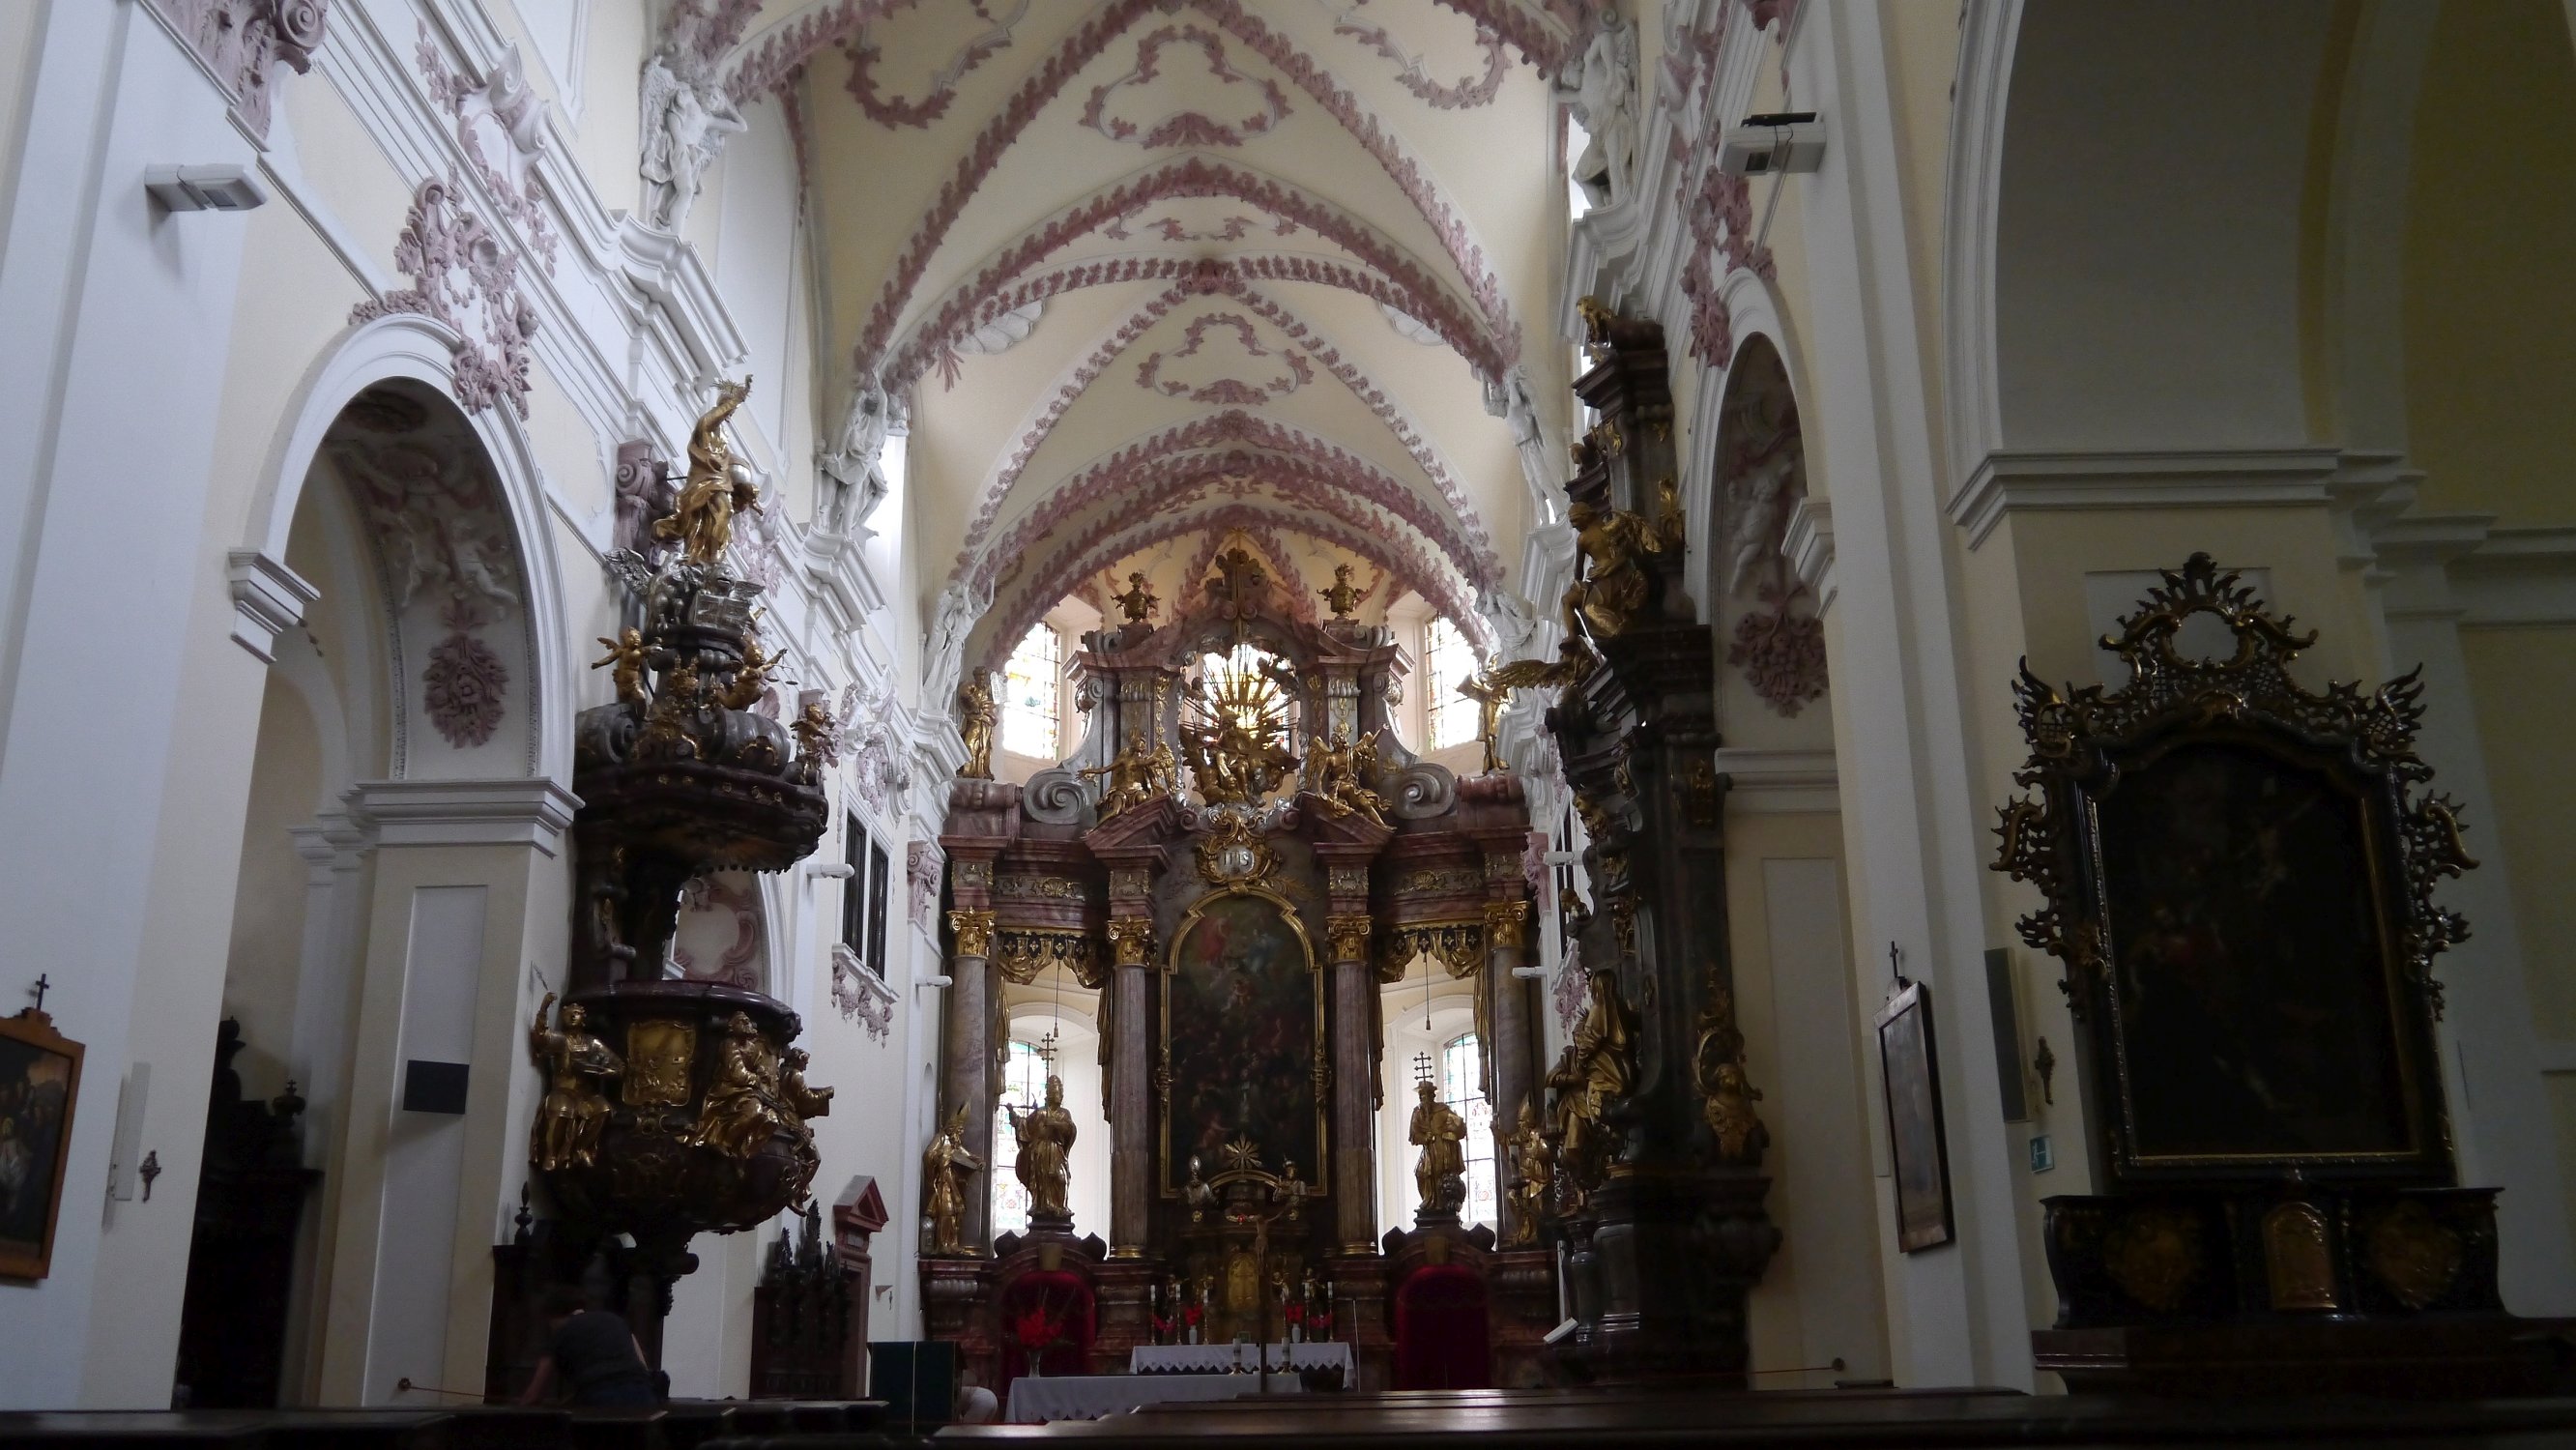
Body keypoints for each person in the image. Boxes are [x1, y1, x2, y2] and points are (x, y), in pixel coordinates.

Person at [520, 1286, 657, 1407]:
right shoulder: (616, 1321)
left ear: (554, 1316)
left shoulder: (561, 1332)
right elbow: (643, 1367)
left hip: (601, 1399)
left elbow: (534, 1395)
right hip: (643, 1395)